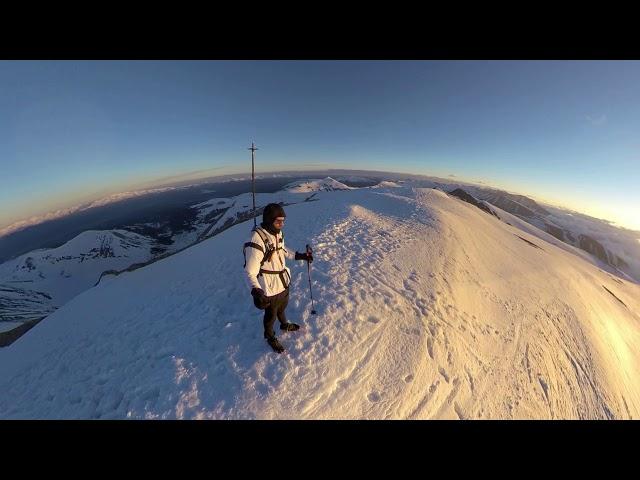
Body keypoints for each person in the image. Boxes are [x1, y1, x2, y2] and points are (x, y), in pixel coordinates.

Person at [243, 203, 313, 353]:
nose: (281, 224)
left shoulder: (277, 233)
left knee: (282, 307)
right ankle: (269, 336)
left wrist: (300, 256)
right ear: (269, 220)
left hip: (283, 281)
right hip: (269, 286)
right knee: (271, 315)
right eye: (278, 221)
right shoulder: (257, 239)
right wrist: (256, 290)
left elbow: (282, 250)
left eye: (283, 221)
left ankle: (284, 324)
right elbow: (250, 271)